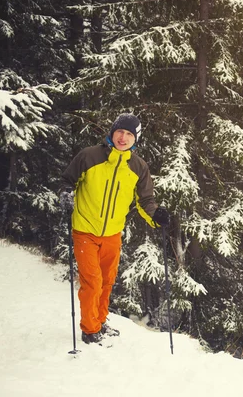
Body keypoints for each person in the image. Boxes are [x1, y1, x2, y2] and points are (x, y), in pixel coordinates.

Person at [60, 113, 170, 344]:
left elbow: (145, 200)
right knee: (92, 281)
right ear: (112, 132)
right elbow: (67, 180)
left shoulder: (139, 167)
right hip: (85, 230)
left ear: (135, 139)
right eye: (120, 131)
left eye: (129, 134)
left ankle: (99, 322)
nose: (123, 137)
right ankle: (90, 330)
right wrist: (65, 194)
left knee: (107, 281)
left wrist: (156, 216)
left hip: (112, 234)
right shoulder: (89, 156)